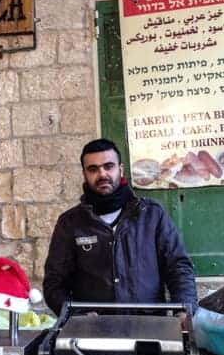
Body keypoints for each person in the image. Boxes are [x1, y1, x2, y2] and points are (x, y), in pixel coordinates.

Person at [43, 138, 197, 327]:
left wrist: (185, 309)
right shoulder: (70, 223)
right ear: (84, 174)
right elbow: (54, 284)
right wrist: (76, 315)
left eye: (109, 166)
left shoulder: (151, 214)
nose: (102, 174)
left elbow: (178, 267)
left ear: (121, 169)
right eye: (93, 169)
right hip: (92, 333)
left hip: (150, 329)